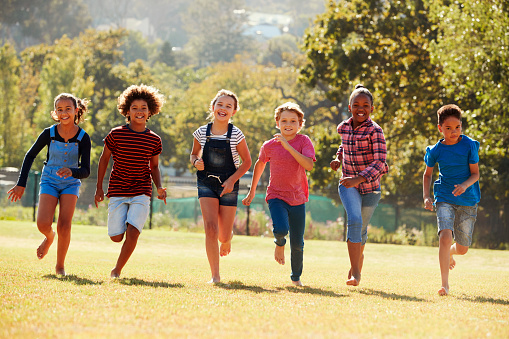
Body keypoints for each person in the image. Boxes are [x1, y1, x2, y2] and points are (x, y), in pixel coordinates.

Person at [7, 93, 91, 276]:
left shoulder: (84, 138)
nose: (64, 113)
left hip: (71, 183)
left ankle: (60, 266)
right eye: (60, 110)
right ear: (55, 113)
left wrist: (72, 171)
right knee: (43, 224)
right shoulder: (48, 134)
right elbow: (30, 156)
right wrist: (21, 184)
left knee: (65, 225)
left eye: (68, 109)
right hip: (49, 180)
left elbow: (85, 170)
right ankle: (49, 237)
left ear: (76, 111)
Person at [94, 84, 167, 278]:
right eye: (135, 108)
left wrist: (159, 187)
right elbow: (104, 160)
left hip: (141, 190)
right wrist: (99, 187)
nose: (139, 111)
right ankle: (127, 223)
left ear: (150, 111)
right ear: (127, 111)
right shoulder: (116, 134)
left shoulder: (154, 140)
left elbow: (154, 167)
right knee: (116, 237)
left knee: (133, 232)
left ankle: (116, 270)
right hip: (117, 189)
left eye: (143, 108)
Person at [243, 102, 315, 287]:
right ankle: (279, 242)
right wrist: (252, 192)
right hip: (276, 195)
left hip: (298, 198)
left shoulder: (304, 141)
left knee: (298, 243)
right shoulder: (269, 146)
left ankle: (295, 278)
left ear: (300, 124)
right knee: (282, 229)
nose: (288, 124)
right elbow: (259, 165)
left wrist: (288, 146)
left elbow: (309, 165)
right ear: (277, 122)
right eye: (284, 120)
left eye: (293, 121)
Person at [330, 84, 389, 287]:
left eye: (365, 105)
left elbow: (380, 163)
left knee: (361, 229)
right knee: (354, 220)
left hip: (371, 188)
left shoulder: (376, 131)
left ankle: (356, 262)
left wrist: (359, 178)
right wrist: (338, 158)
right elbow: (344, 145)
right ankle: (356, 273)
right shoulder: (344, 127)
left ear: (372, 108)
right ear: (349, 107)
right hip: (348, 184)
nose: (360, 108)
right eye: (356, 105)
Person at [190, 89, 252, 283]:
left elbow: (247, 162)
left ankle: (228, 238)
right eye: (220, 105)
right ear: (213, 107)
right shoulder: (201, 132)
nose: (223, 108)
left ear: (233, 111)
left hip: (229, 183)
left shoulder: (236, 134)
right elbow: (193, 154)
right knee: (210, 228)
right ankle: (215, 276)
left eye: (228, 106)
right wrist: (195, 162)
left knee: (223, 236)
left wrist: (232, 180)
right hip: (206, 183)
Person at [423, 104, 480, 296]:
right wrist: (426, 196)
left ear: (461, 126)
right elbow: (427, 175)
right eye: (448, 128)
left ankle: (450, 254)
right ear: (440, 128)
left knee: (462, 249)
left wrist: (464, 185)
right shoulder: (436, 150)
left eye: (457, 127)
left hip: (468, 199)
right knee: (445, 237)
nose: (454, 131)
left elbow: (475, 174)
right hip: (444, 196)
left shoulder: (469, 145)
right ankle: (444, 285)